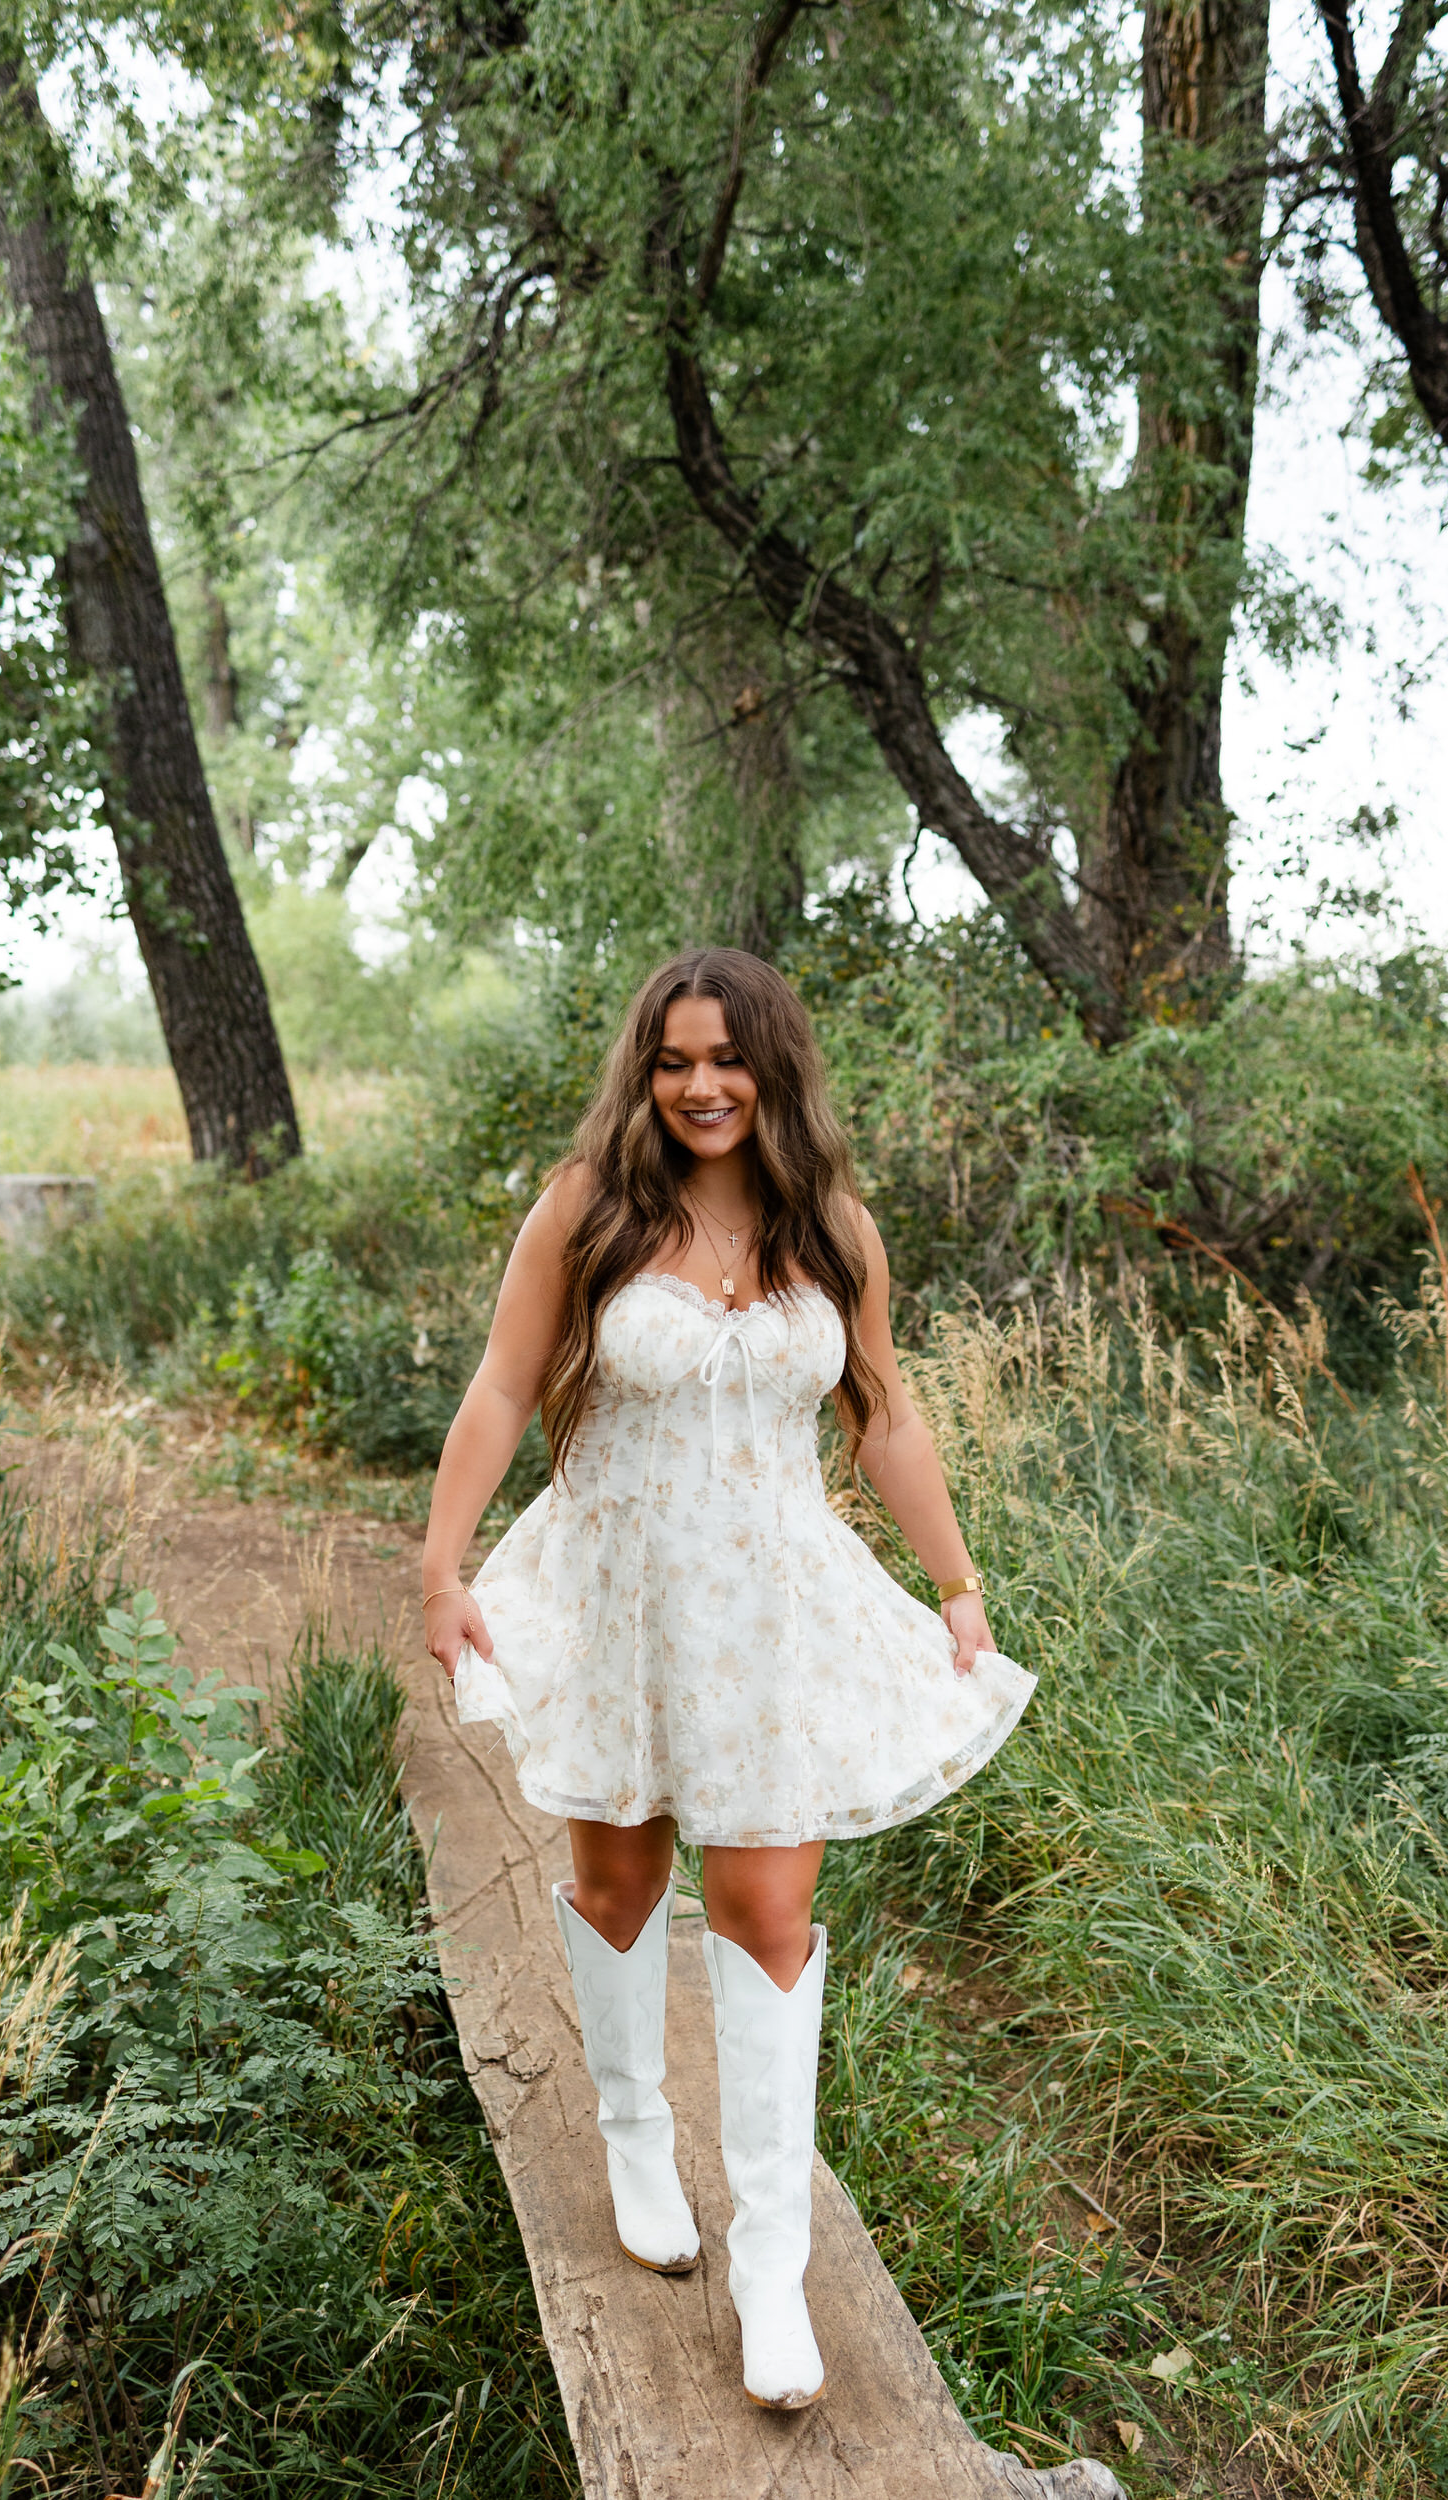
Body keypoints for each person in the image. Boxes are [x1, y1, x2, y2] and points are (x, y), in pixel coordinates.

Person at [420, 948, 1034, 2412]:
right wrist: (441, 1568)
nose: (702, 1086)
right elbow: (505, 1386)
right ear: (646, 1073)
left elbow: (880, 1412)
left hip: (772, 1611)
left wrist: (956, 1582)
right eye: (674, 1061)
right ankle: (635, 2138)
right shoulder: (589, 1211)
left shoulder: (832, 1228)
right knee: (621, 1887)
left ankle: (773, 2265)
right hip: (621, 1593)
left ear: (773, 1066)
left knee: (766, 1914)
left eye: (727, 1059)